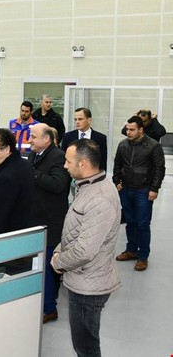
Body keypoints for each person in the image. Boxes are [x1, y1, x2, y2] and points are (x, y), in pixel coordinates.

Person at [51, 139, 121, 357]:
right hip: (83, 278)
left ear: (83, 164)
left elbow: (84, 250)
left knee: (86, 348)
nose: (65, 166)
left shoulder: (100, 198)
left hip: (88, 287)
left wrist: (59, 261)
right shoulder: (87, 186)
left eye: (68, 161)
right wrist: (60, 249)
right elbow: (76, 231)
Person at [27, 123, 70, 323]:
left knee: (47, 265)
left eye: (33, 136)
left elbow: (58, 184)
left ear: (46, 139)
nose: (29, 140)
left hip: (50, 221)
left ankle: (49, 308)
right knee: (38, 264)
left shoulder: (58, 156)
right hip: (35, 218)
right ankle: (41, 301)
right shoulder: (34, 155)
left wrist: (33, 174)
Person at [113, 116, 166, 271]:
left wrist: (154, 188)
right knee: (130, 222)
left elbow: (159, 168)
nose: (128, 132)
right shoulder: (123, 145)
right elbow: (117, 164)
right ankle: (131, 250)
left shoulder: (153, 146)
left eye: (132, 130)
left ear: (141, 130)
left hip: (144, 190)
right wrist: (116, 180)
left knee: (142, 224)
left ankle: (143, 256)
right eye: (127, 129)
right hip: (126, 189)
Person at [0, 128, 35, 237]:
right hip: (22, 235)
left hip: (6, 239)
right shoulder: (24, 164)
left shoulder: (6, 177)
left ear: (6, 149)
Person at [61, 107, 108, 171]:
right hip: (71, 174)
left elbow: (102, 161)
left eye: (80, 119)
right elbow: (63, 158)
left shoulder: (100, 138)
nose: (77, 122)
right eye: (75, 119)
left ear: (89, 120)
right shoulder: (68, 136)